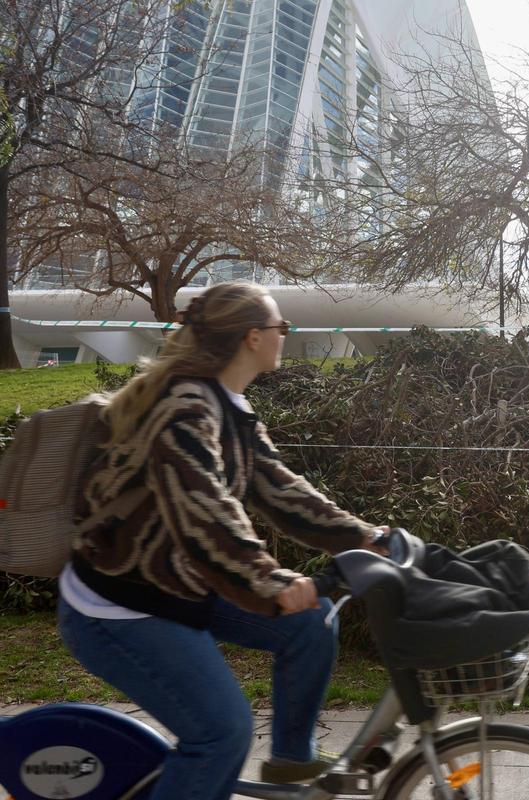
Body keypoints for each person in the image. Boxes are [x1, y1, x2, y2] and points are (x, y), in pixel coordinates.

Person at [56, 282, 387, 800]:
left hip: (178, 578)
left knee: (310, 622)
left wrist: (369, 538)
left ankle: (290, 760)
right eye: (282, 327)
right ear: (253, 337)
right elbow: (205, 514)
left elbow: (279, 490)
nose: (286, 334)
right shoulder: (185, 408)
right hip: (121, 604)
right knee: (221, 734)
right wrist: (268, 579)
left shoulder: (225, 401)